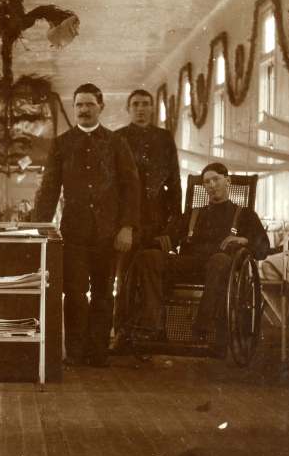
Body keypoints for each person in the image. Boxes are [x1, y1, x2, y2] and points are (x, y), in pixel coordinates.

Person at [32, 83, 141, 367]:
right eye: (79, 104)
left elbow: (131, 188)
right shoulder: (63, 143)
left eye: (89, 104)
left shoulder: (117, 143)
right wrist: (38, 227)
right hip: (74, 232)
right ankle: (76, 352)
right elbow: (49, 189)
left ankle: (98, 353)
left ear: (101, 107)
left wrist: (127, 226)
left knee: (104, 293)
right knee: (76, 293)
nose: (83, 110)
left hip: (109, 234)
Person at [132, 162, 270, 351]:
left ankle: (204, 326)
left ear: (227, 181)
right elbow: (169, 238)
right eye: (207, 182)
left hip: (222, 268)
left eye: (216, 179)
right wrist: (145, 241)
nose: (212, 185)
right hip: (190, 263)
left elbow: (263, 248)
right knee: (149, 257)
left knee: (219, 261)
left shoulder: (245, 215)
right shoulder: (193, 214)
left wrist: (243, 240)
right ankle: (153, 325)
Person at [115, 89, 182, 248]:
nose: (140, 109)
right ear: (128, 109)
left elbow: (174, 180)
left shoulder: (164, 137)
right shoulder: (117, 138)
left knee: (155, 261)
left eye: (145, 104)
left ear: (152, 108)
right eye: (135, 104)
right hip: (126, 217)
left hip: (158, 214)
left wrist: (175, 221)